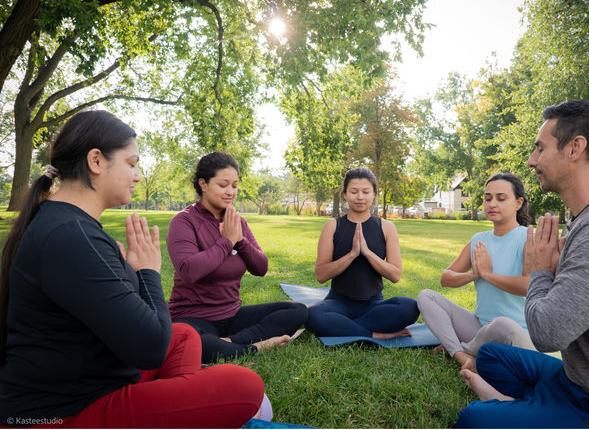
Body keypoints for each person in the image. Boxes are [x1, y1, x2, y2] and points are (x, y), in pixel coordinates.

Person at [0, 111, 264, 427]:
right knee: (246, 387)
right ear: (96, 161)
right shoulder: (69, 235)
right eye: (131, 163)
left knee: (184, 336)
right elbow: (151, 348)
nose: (138, 175)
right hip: (63, 412)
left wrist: (129, 273)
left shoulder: (70, 224)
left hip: (97, 373)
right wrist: (148, 272)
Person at [457, 100, 589, 428]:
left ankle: (517, 408)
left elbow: (548, 334)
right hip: (576, 380)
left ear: (575, 148)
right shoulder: (584, 219)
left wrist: (539, 270)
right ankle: (526, 406)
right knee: (493, 356)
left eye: (540, 148)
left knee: (473, 419)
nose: (531, 160)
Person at [167, 151, 308, 363]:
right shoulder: (184, 221)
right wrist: (226, 242)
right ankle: (254, 346)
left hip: (232, 314)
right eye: (223, 185)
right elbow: (189, 270)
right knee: (189, 341)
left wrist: (239, 241)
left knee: (296, 310)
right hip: (193, 316)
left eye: (234, 185)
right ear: (203, 184)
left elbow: (261, 268)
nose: (230, 191)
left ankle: (230, 344)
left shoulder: (236, 221)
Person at [417, 173, 535, 370]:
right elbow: (446, 278)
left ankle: (462, 348)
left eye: (501, 198)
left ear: (518, 203)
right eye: (487, 198)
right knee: (426, 296)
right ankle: (462, 355)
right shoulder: (479, 240)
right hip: (479, 329)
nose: (492, 204)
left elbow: (528, 286)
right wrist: (473, 274)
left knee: (502, 325)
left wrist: (488, 275)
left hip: (515, 334)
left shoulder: (528, 238)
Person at [305, 167, 419, 338]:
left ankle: (344, 327)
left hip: (373, 305)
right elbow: (321, 275)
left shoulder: (387, 227)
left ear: (373, 194)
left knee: (410, 307)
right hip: (337, 303)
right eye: (354, 191)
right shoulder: (332, 226)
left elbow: (395, 275)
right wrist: (352, 254)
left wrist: (367, 253)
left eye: (366, 192)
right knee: (312, 314)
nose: (360, 197)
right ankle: (375, 334)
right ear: (345, 194)